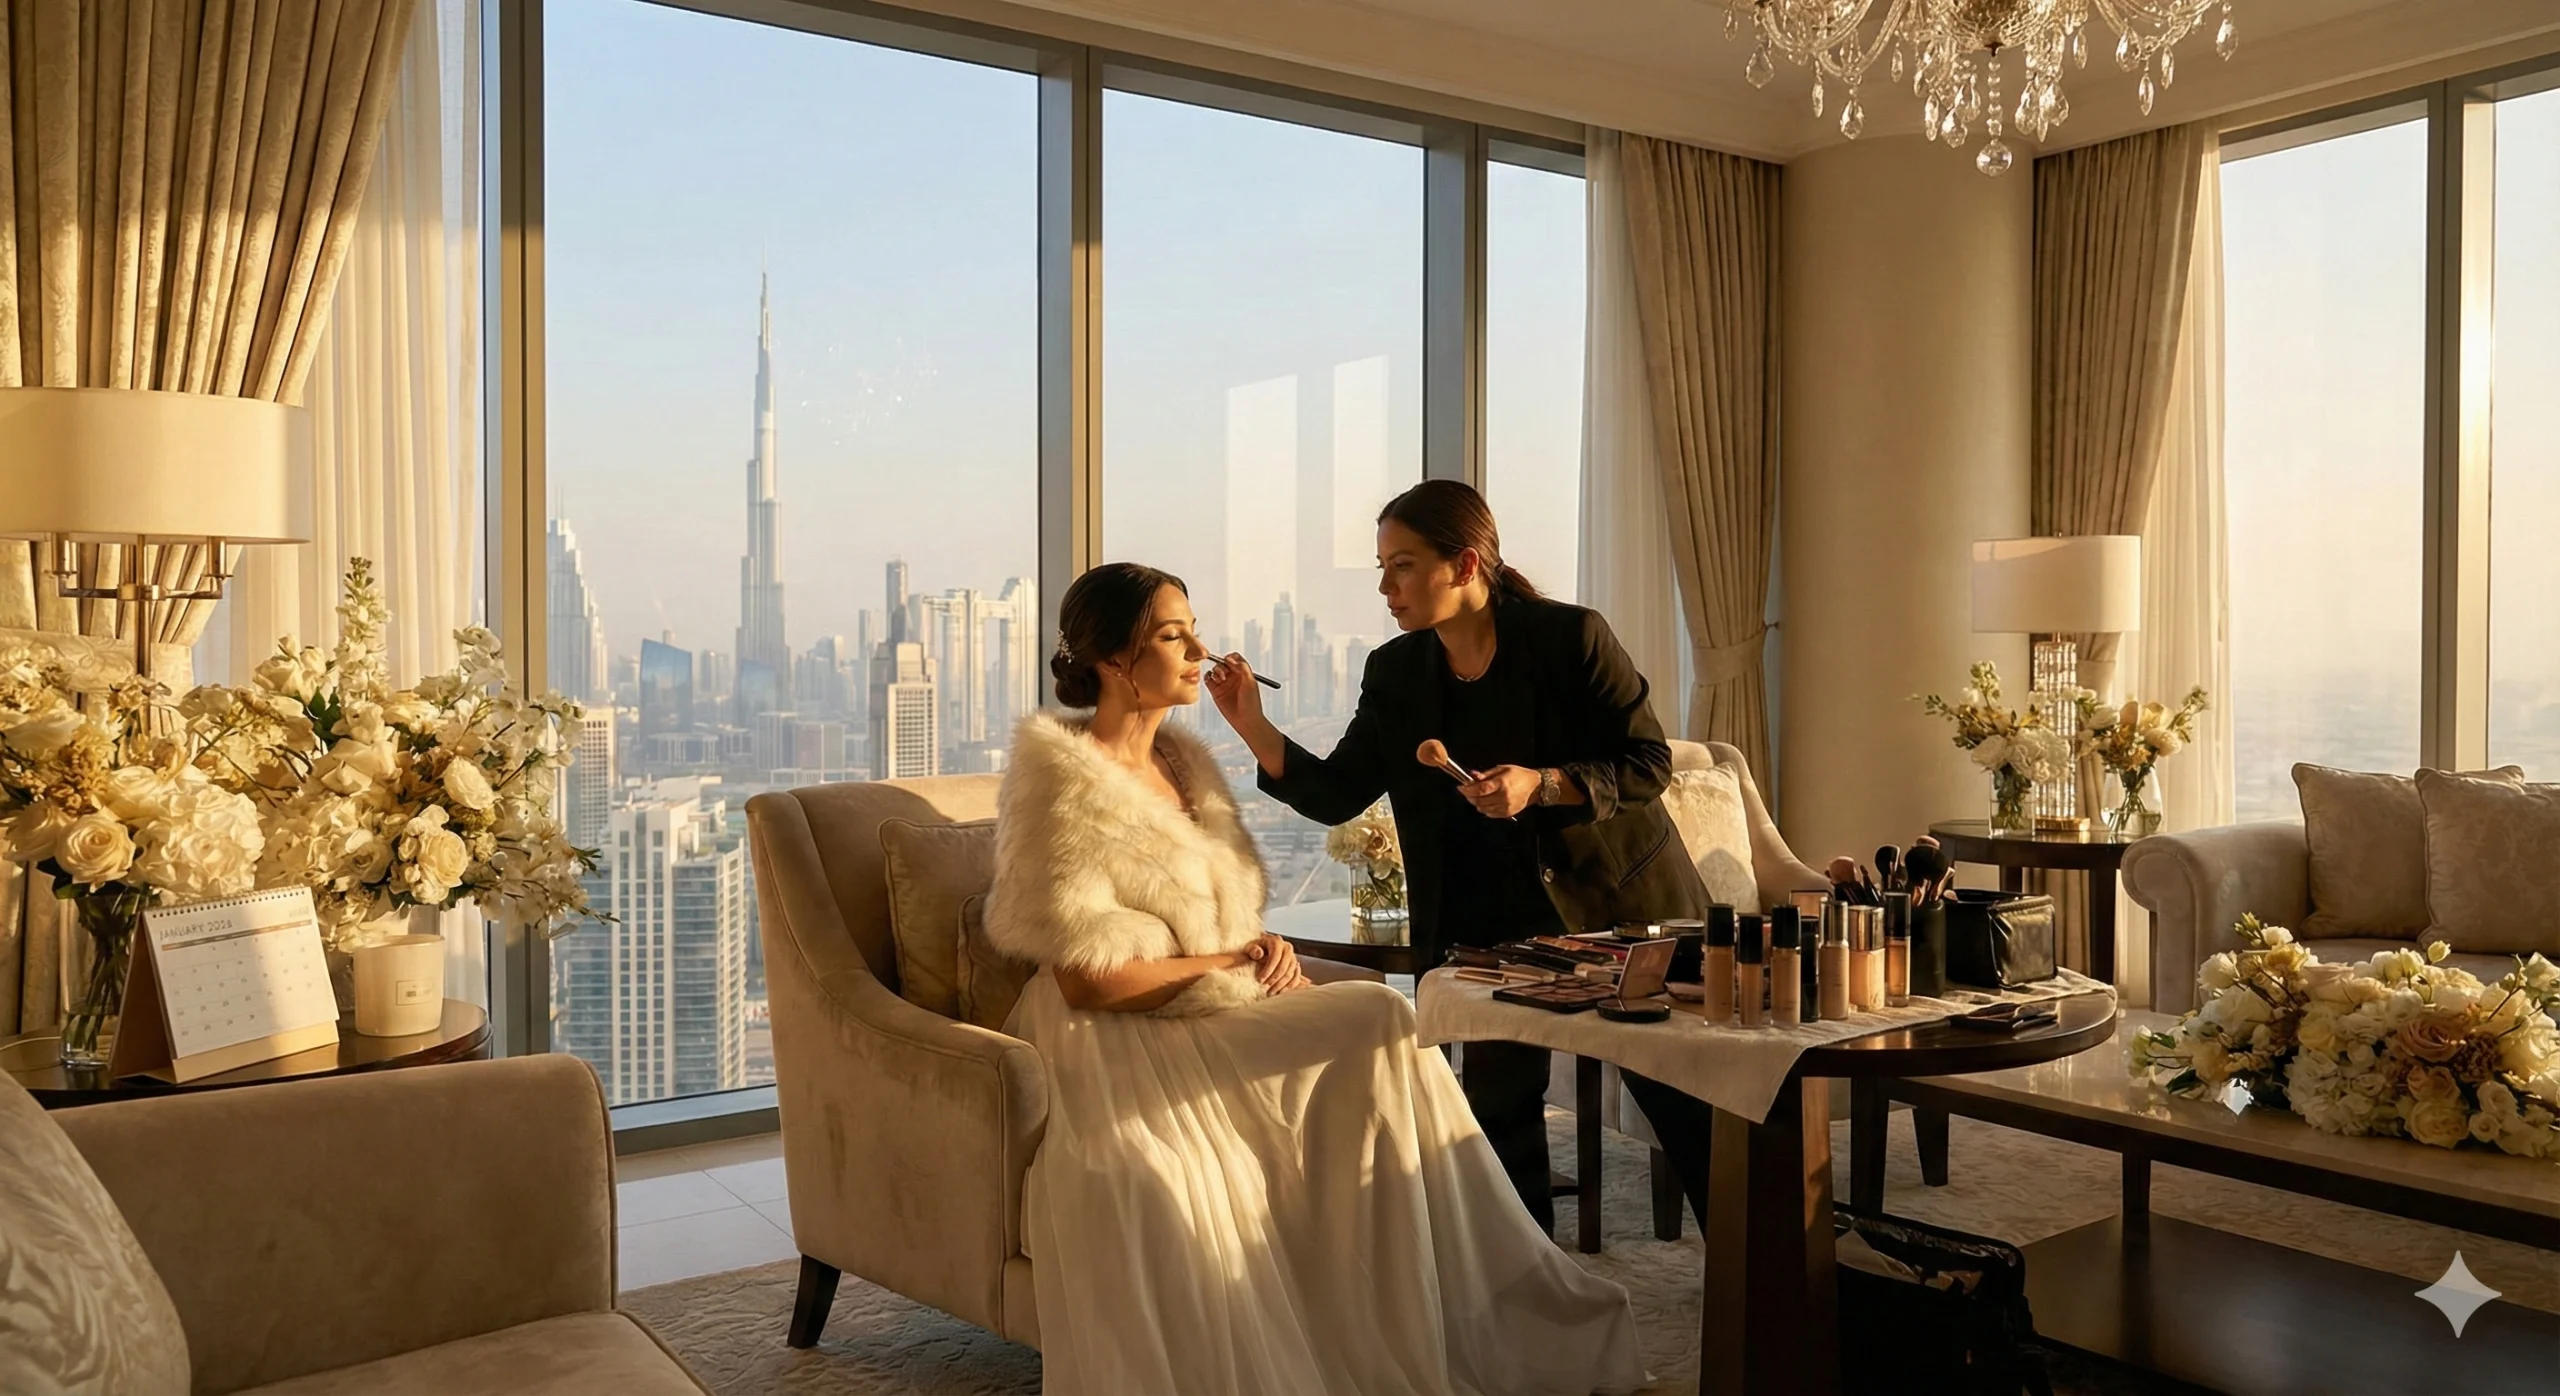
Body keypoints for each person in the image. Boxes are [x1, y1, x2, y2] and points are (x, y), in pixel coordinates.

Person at [985, 561, 1644, 1396]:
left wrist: (1259, 948)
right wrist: (1229, 961)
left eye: (1194, 629)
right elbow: (1087, 984)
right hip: (1114, 1038)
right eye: (1173, 636)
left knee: (1390, 1017)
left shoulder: (1185, 764)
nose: (1199, 650)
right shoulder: (1063, 781)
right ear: (1115, 661)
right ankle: (1460, 1302)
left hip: (1212, 1003)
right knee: (1378, 1016)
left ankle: (1443, 1303)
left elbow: (1219, 920)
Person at [1206, 479, 1708, 1229]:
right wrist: (1251, 722)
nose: (1385, 588)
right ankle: (1530, 1282)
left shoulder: (1571, 638)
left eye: (1403, 566)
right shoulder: (1396, 672)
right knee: (1498, 1116)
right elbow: (1338, 792)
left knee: (1686, 1103)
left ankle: (1765, 1272)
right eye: (1383, 567)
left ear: (1466, 563)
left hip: (1616, 910)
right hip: (1489, 926)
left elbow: (1648, 763)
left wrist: (1544, 784)